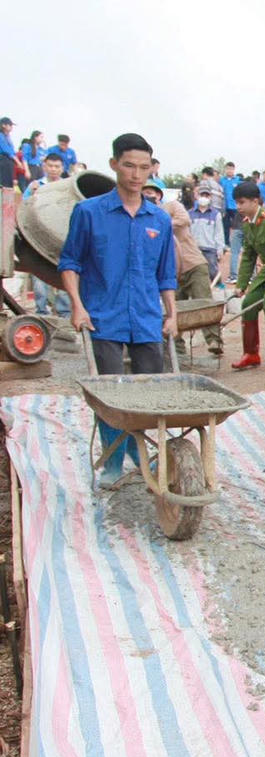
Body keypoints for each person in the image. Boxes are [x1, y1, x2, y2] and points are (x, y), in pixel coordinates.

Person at [59, 133, 178, 488]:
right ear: (114, 165)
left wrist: (171, 314)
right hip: (102, 317)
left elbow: (166, 274)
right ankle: (114, 461)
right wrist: (77, 307)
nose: (136, 174)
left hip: (145, 319)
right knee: (110, 395)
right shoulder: (88, 213)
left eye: (144, 167)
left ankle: (143, 454)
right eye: (129, 165)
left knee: (149, 392)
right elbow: (70, 263)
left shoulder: (159, 218)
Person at [147, 183, 223, 357]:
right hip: (170, 273)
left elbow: (185, 220)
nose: (148, 196)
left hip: (193, 264)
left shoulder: (171, 207)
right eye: (145, 194)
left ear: (158, 196)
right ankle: (177, 348)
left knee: (204, 303)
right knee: (174, 309)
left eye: (151, 193)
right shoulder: (143, 219)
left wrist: (161, 222)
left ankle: (214, 340)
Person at [230, 180, 265, 370]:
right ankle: (251, 354)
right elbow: (248, 255)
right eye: (237, 202)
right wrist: (242, 284)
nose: (238, 207)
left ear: (255, 201)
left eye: (242, 202)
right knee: (248, 305)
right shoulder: (247, 224)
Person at [23, 153, 72, 318]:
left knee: (65, 278)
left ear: (62, 168)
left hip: (63, 238)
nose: (53, 169)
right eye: (50, 166)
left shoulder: (68, 187)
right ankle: (41, 311)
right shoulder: (35, 186)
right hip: (39, 238)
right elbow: (24, 206)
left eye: (57, 166)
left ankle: (64, 312)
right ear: (44, 166)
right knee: (39, 279)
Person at [188, 187, 226, 282]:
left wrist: (220, 249)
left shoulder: (215, 214)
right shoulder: (190, 213)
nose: (204, 197)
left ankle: (218, 288)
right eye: (202, 195)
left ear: (210, 197)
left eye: (206, 195)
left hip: (210, 248)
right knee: (193, 271)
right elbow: (187, 231)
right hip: (194, 248)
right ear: (197, 196)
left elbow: (219, 232)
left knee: (213, 271)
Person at [0, 118, 18, 188]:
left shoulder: (8, 136)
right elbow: (6, 150)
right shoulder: (1, 136)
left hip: (9, 161)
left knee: (9, 182)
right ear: (4, 125)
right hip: (3, 159)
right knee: (4, 182)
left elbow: (12, 150)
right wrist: (16, 160)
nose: (11, 127)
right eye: (10, 125)